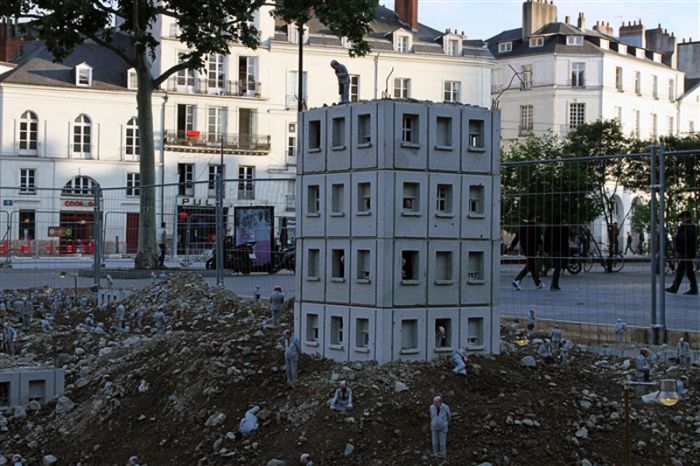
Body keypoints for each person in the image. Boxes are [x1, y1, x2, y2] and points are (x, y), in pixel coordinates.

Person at [510, 213, 545, 290]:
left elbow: (517, 238)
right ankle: (517, 280)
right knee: (530, 265)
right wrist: (544, 246)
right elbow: (539, 239)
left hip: (525, 249)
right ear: (533, 218)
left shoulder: (523, 227)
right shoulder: (536, 227)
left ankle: (537, 282)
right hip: (533, 249)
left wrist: (511, 248)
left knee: (532, 265)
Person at [666, 211, 698, 295]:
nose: (682, 219)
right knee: (689, 271)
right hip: (684, 252)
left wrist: (677, 236)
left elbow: (687, 239)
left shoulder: (690, 227)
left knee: (680, 271)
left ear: (687, 218)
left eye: (683, 218)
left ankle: (675, 288)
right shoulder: (684, 226)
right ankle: (693, 288)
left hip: (687, 252)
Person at [544, 216, 570, 291]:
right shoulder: (564, 228)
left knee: (556, 267)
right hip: (561, 250)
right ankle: (554, 285)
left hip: (553, 250)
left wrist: (546, 250)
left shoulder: (551, 228)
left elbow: (546, 239)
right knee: (558, 268)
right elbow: (566, 240)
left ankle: (554, 284)